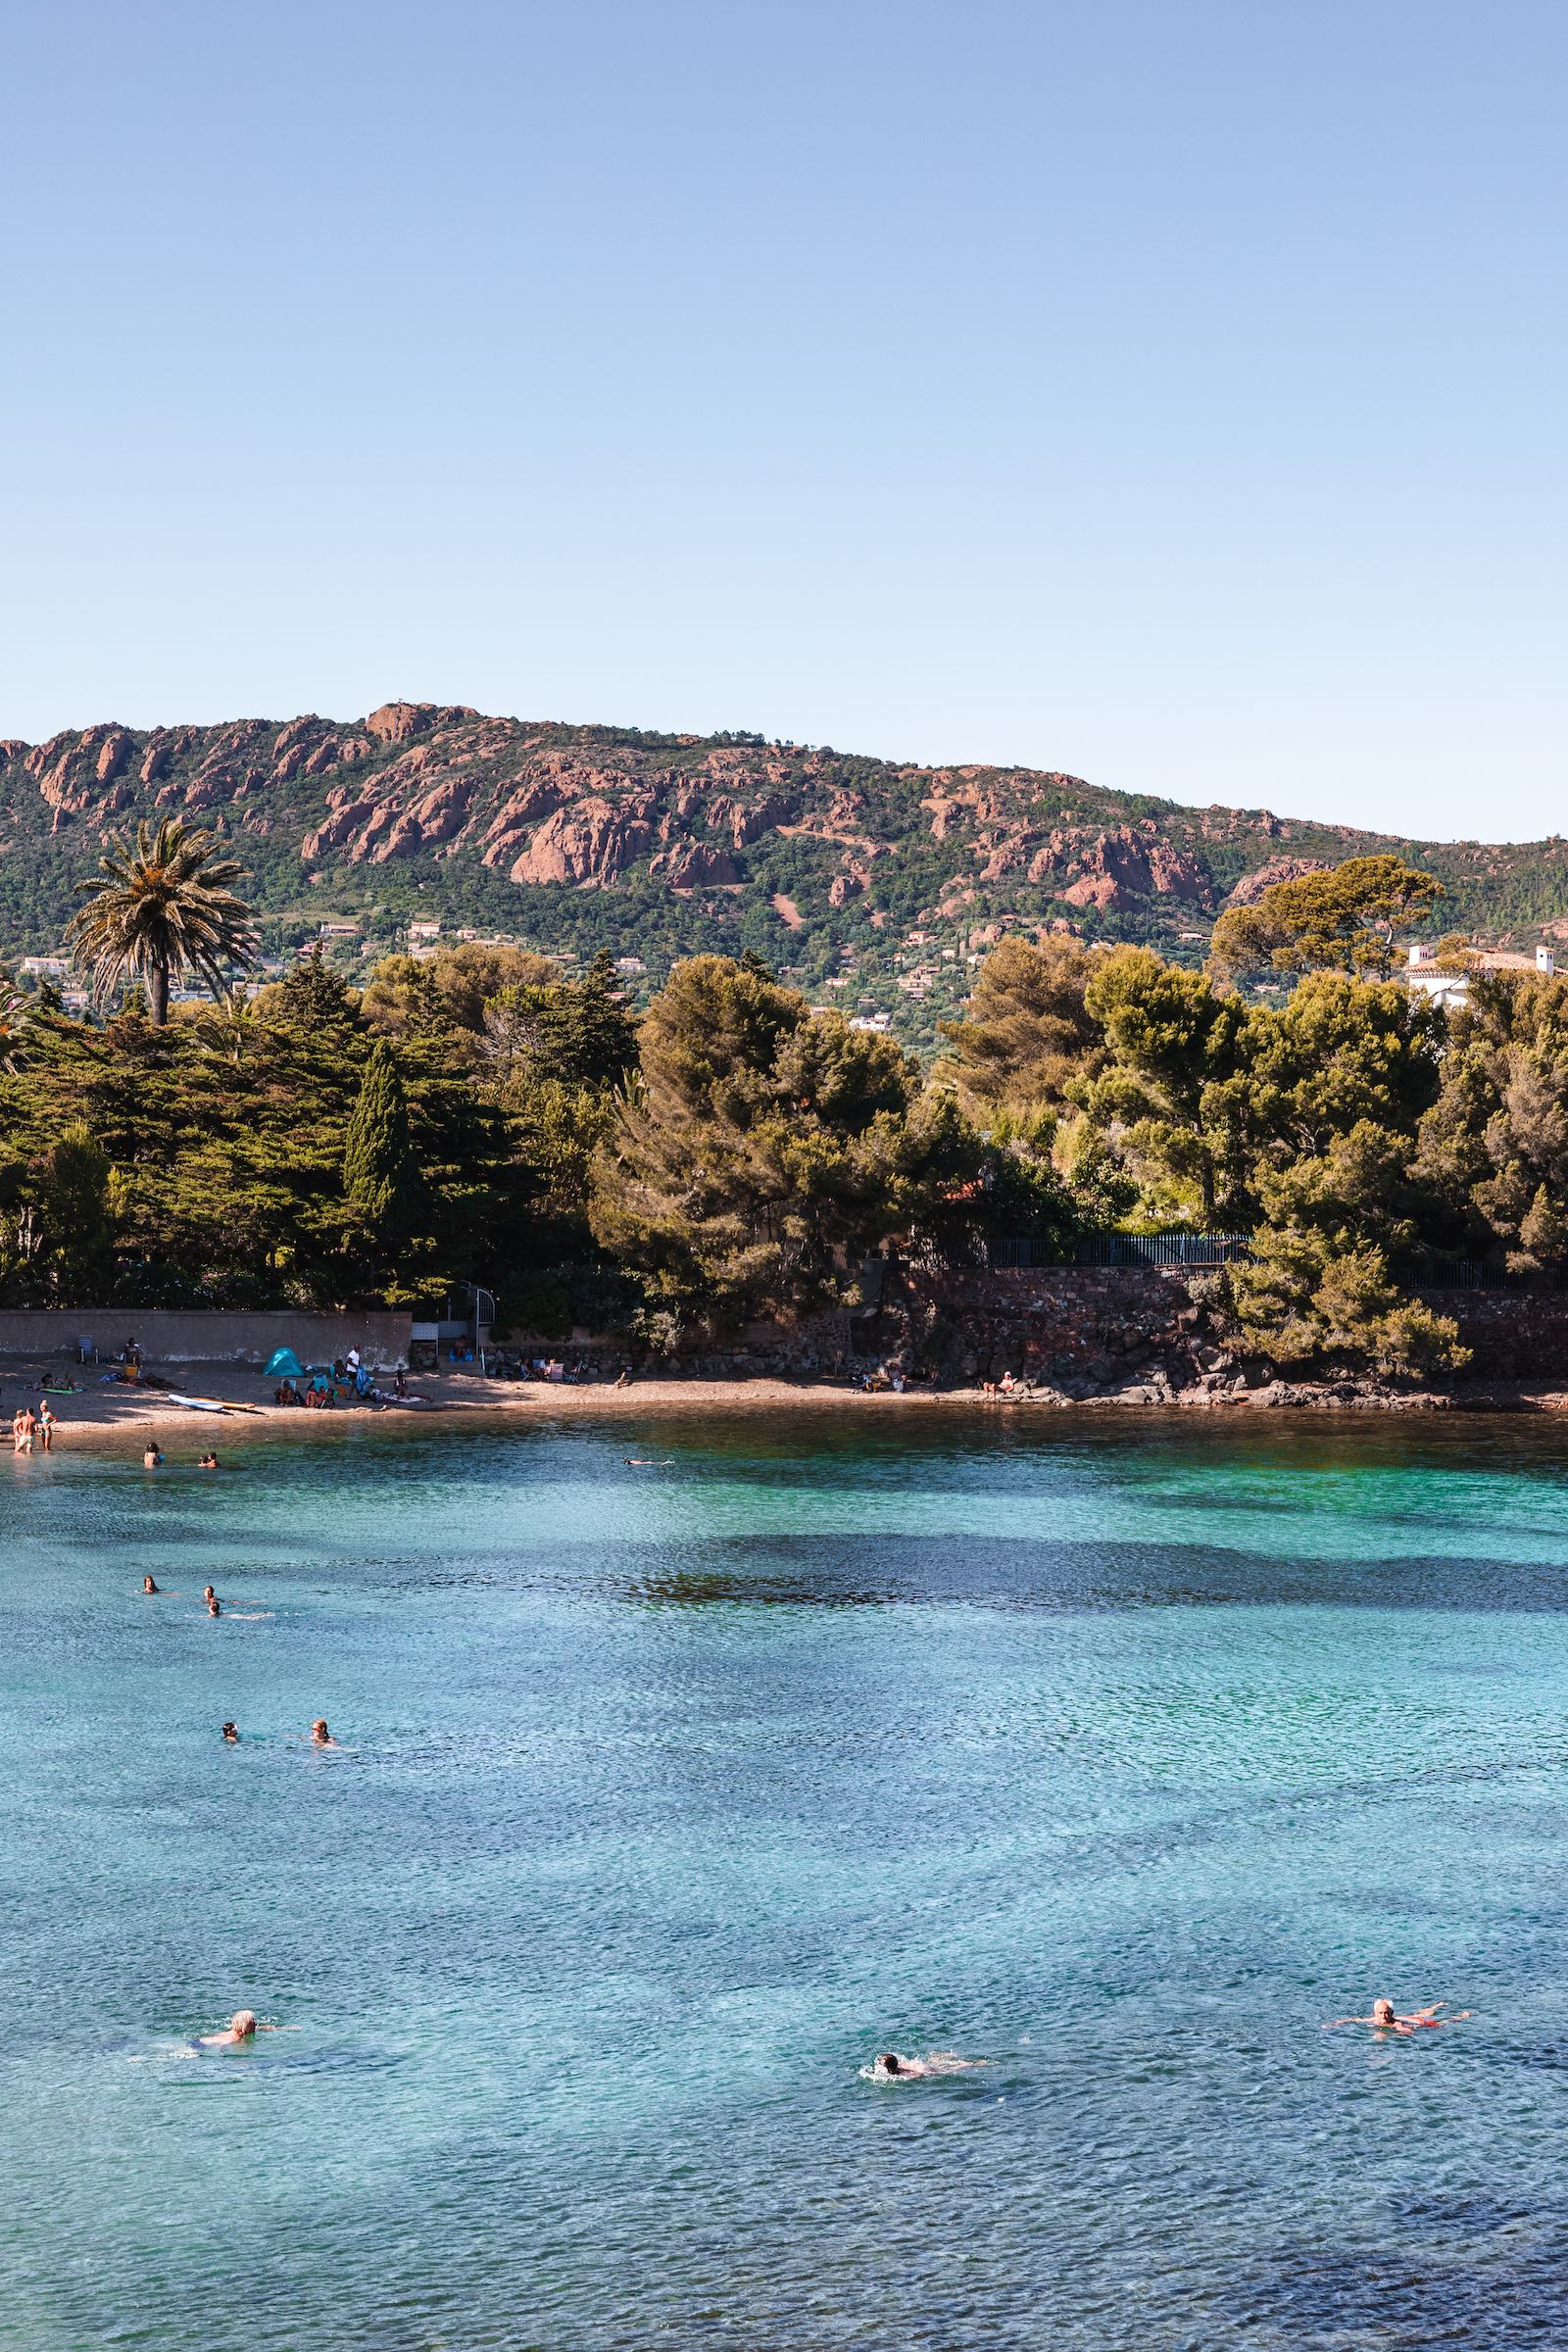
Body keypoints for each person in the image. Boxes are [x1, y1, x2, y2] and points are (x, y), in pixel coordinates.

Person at [1324, 1998, 1474, 2035]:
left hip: (1420, 2023)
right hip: (1409, 2017)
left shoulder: (1394, 2023)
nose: (1383, 2016)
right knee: (1420, 2013)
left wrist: (1399, 2033)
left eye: (1386, 2012)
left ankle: (1461, 2016)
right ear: (1375, 2013)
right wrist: (1336, 2023)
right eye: (1380, 2013)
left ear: (1391, 2013)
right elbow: (1354, 2020)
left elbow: (1408, 2031)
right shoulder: (1373, 2020)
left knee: (1442, 2023)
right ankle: (1436, 2006)